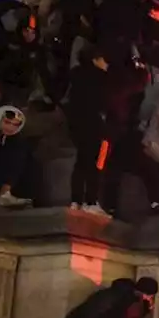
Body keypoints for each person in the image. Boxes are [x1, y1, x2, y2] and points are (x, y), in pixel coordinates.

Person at [66, 46, 110, 214]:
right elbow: (105, 102)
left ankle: (75, 200)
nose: (107, 64)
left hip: (77, 126)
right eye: (104, 60)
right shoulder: (101, 78)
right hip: (95, 126)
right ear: (95, 59)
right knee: (95, 164)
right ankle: (91, 201)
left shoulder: (76, 75)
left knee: (81, 163)